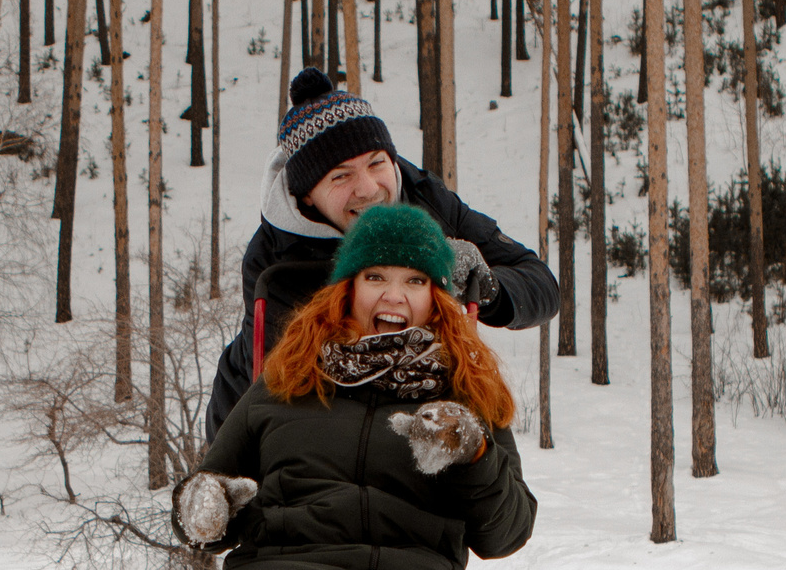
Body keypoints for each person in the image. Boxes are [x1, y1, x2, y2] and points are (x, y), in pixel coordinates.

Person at [141, 204, 537, 570]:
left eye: (415, 281)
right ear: (346, 288)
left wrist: (473, 453)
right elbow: (210, 494)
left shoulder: (468, 392)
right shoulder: (282, 382)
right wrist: (207, 508)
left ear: (437, 298)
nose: (395, 295)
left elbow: (505, 533)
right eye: (376, 276)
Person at [207, 68, 560, 435]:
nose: (369, 188)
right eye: (341, 176)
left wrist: (488, 288)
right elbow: (294, 406)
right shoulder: (276, 257)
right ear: (308, 195)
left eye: (376, 162)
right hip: (262, 412)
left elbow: (541, 284)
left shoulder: (425, 199)